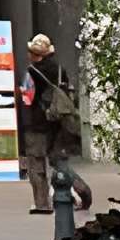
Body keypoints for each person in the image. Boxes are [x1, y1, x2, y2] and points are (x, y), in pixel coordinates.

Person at [18, 34, 92, 214]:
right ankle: (82, 190)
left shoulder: (32, 72)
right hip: (56, 123)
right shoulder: (60, 70)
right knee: (58, 161)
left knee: (36, 164)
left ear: (37, 55)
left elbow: (27, 99)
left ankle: (42, 204)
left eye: (31, 52)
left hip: (36, 125)